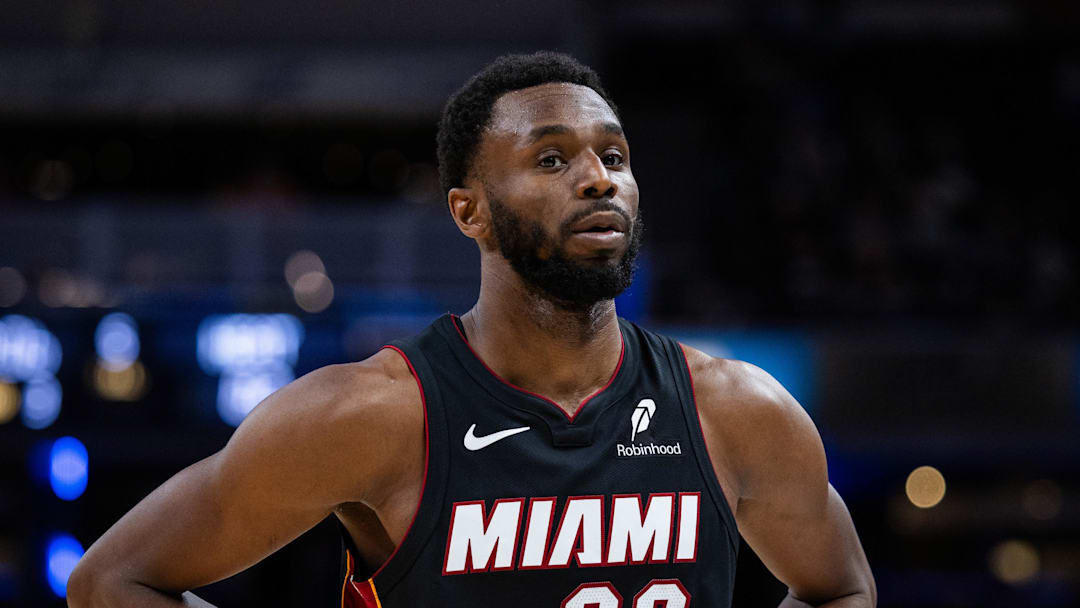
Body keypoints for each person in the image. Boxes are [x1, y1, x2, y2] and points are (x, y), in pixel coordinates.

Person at [67, 51, 875, 608]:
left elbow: (841, 586)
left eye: (615, 155)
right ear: (469, 211)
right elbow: (112, 581)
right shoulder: (371, 416)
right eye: (552, 160)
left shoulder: (737, 411)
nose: (599, 176)